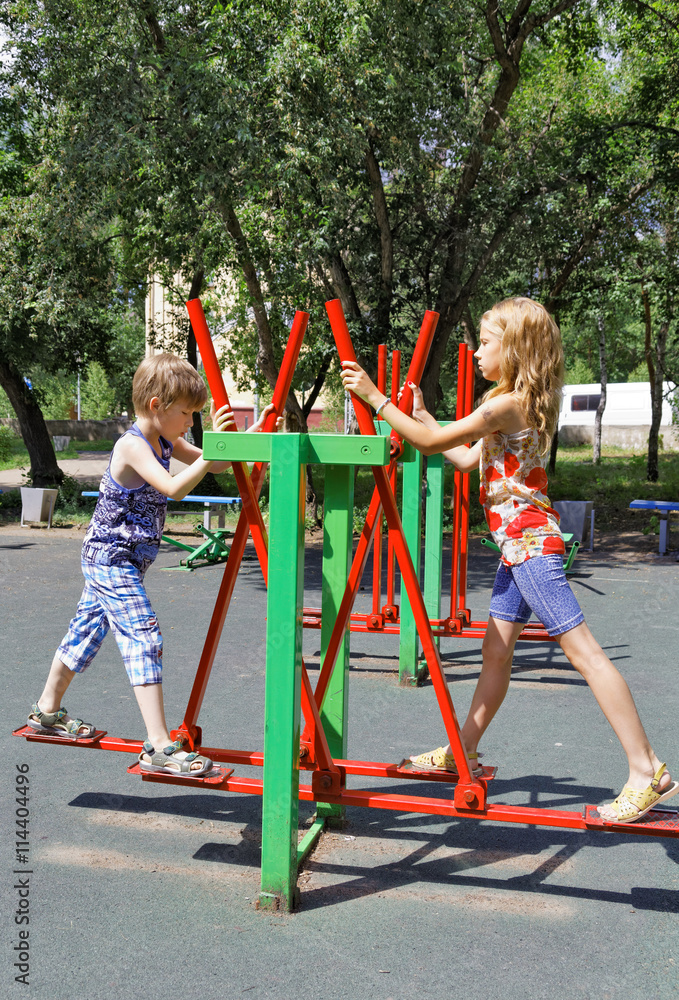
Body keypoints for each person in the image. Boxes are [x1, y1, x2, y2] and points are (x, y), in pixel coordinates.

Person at [341, 297, 677, 824]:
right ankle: (463, 748)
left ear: (514, 349)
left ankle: (646, 768)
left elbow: (427, 444)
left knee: (585, 653)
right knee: (496, 655)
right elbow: (465, 455)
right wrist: (425, 418)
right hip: (515, 549)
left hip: (531, 549)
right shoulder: (517, 402)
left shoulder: (505, 405)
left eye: (486, 342)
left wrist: (375, 397)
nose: (476, 353)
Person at [28, 352, 277, 777]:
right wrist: (214, 446)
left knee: (86, 631)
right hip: (111, 559)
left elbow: (212, 460)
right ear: (158, 405)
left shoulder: (166, 438)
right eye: (187, 414)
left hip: (123, 560)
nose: (190, 424)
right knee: (143, 633)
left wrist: (247, 436)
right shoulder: (133, 445)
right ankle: (159, 746)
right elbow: (176, 487)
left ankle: (46, 711)